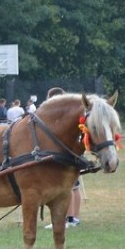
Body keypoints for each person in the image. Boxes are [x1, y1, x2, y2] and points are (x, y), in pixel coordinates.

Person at [44, 87, 81, 228]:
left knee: (68, 188)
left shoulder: (61, 117)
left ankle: (68, 219)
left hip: (65, 157)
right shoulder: (68, 115)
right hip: (72, 155)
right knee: (74, 187)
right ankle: (73, 218)